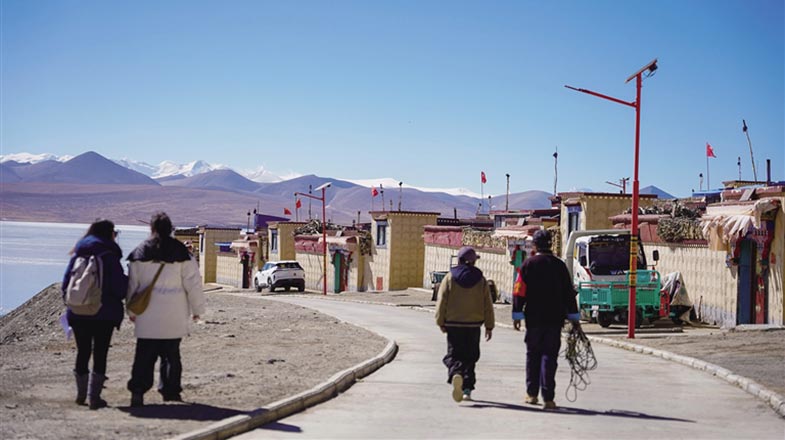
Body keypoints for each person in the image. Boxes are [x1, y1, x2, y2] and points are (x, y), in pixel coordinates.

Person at [126, 212, 205, 407]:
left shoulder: (140, 252)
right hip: (174, 311)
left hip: (147, 312)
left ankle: (138, 390)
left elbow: (133, 285)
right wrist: (197, 309)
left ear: (151, 228)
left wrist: (131, 311)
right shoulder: (181, 252)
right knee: (171, 354)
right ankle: (171, 391)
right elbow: (193, 284)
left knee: (144, 354)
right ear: (170, 229)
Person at [62, 219, 128, 410]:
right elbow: (119, 288)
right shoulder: (110, 255)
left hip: (78, 311)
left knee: (83, 351)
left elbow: (66, 283)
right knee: (100, 352)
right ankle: (94, 397)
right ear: (110, 234)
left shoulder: (79, 252)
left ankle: (81, 394)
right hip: (104, 313)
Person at [512, 229, 580, 410]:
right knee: (550, 357)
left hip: (533, 319)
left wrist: (517, 314)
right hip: (554, 320)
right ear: (551, 244)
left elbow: (519, 291)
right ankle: (548, 399)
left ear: (534, 245)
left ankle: (531, 394)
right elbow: (569, 293)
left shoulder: (528, 264)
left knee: (533, 355)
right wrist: (574, 317)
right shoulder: (559, 266)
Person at [435, 246, 495, 402]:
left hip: (454, 325)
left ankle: (456, 373)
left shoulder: (450, 277)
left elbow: (442, 301)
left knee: (453, 355)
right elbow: (487, 304)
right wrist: (489, 325)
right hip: (474, 326)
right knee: (470, 358)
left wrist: (440, 321)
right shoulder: (481, 279)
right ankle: (467, 390)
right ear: (473, 261)